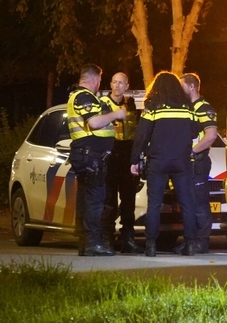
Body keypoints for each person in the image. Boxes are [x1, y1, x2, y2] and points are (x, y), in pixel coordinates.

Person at [129, 71, 198, 257]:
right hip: (182, 162)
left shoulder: (153, 106)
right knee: (187, 204)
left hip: (158, 161)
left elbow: (142, 135)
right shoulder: (187, 107)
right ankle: (190, 245)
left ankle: (150, 246)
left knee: (154, 204)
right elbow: (194, 132)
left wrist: (134, 159)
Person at [67, 64, 128, 257]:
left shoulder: (77, 96)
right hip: (90, 155)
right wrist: (116, 114)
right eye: (99, 81)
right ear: (95, 80)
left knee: (87, 200)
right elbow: (94, 123)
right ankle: (93, 244)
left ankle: (86, 244)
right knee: (95, 200)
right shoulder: (84, 96)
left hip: (87, 154)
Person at [100, 72, 140, 253]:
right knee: (109, 201)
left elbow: (137, 130)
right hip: (110, 154)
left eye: (121, 83)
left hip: (127, 155)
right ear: (110, 84)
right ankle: (107, 238)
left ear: (127, 85)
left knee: (128, 200)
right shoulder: (103, 104)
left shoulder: (131, 104)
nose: (117, 86)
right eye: (114, 82)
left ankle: (128, 239)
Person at [181, 72, 218, 255]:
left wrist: (192, 151)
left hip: (198, 162)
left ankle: (201, 243)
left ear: (192, 86)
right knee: (189, 204)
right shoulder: (188, 108)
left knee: (200, 204)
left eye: (182, 87)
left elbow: (211, 136)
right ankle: (191, 241)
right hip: (188, 163)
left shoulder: (204, 108)